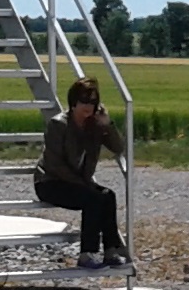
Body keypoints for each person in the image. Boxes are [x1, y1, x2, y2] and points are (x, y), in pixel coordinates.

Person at [35, 76, 128, 267]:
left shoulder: (94, 126)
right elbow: (54, 164)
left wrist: (107, 125)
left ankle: (111, 250)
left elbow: (118, 147)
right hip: (50, 182)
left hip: (79, 182)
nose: (88, 106)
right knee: (93, 198)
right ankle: (88, 253)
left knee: (108, 195)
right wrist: (84, 184)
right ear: (74, 101)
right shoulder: (58, 124)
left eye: (93, 102)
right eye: (84, 101)